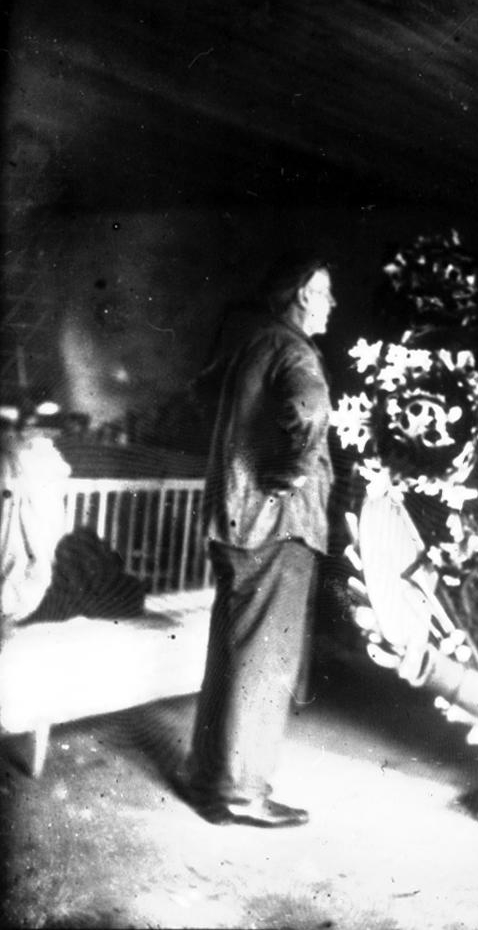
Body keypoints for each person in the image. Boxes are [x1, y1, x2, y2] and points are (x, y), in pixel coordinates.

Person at [181, 251, 336, 828]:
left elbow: (201, 393)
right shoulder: (294, 350)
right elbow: (310, 409)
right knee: (264, 662)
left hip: (232, 522)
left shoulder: (250, 343)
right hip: (276, 527)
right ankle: (244, 794)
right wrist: (292, 471)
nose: (332, 303)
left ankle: (210, 782)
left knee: (230, 655)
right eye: (324, 292)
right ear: (301, 295)